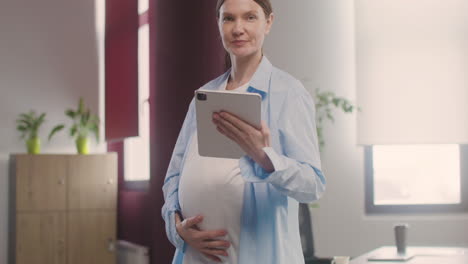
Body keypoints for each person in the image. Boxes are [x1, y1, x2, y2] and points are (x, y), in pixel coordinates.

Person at [162, 0, 326, 263]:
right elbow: (173, 178)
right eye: (228, 19)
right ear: (218, 24)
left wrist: (265, 158)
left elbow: (313, 185)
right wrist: (178, 228)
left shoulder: (288, 93)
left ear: (268, 22)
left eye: (250, 17)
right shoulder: (203, 97)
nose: (238, 28)